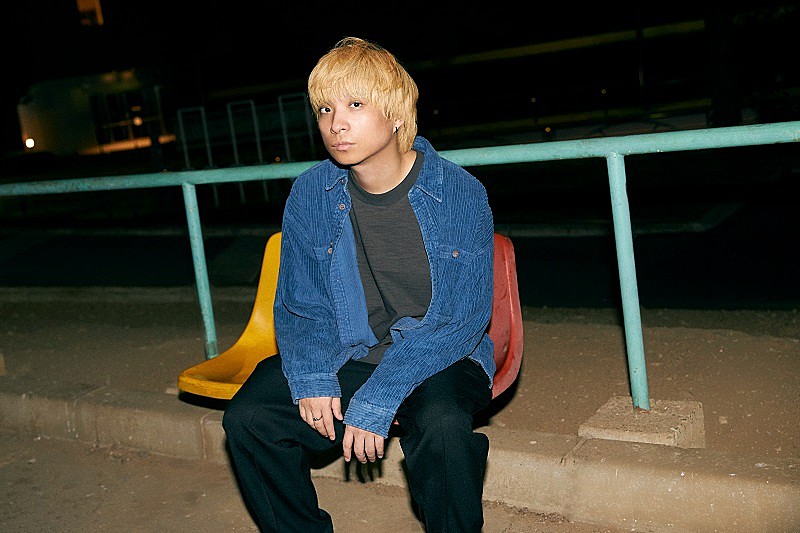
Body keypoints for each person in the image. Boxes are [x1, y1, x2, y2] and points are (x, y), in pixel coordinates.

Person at [222, 36, 496, 533]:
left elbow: (462, 319)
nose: (336, 124)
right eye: (325, 109)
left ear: (395, 114)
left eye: (354, 105)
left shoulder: (458, 192)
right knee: (251, 417)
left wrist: (379, 396)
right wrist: (312, 375)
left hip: (441, 353)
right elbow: (301, 303)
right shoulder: (311, 192)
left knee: (442, 426)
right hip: (353, 348)